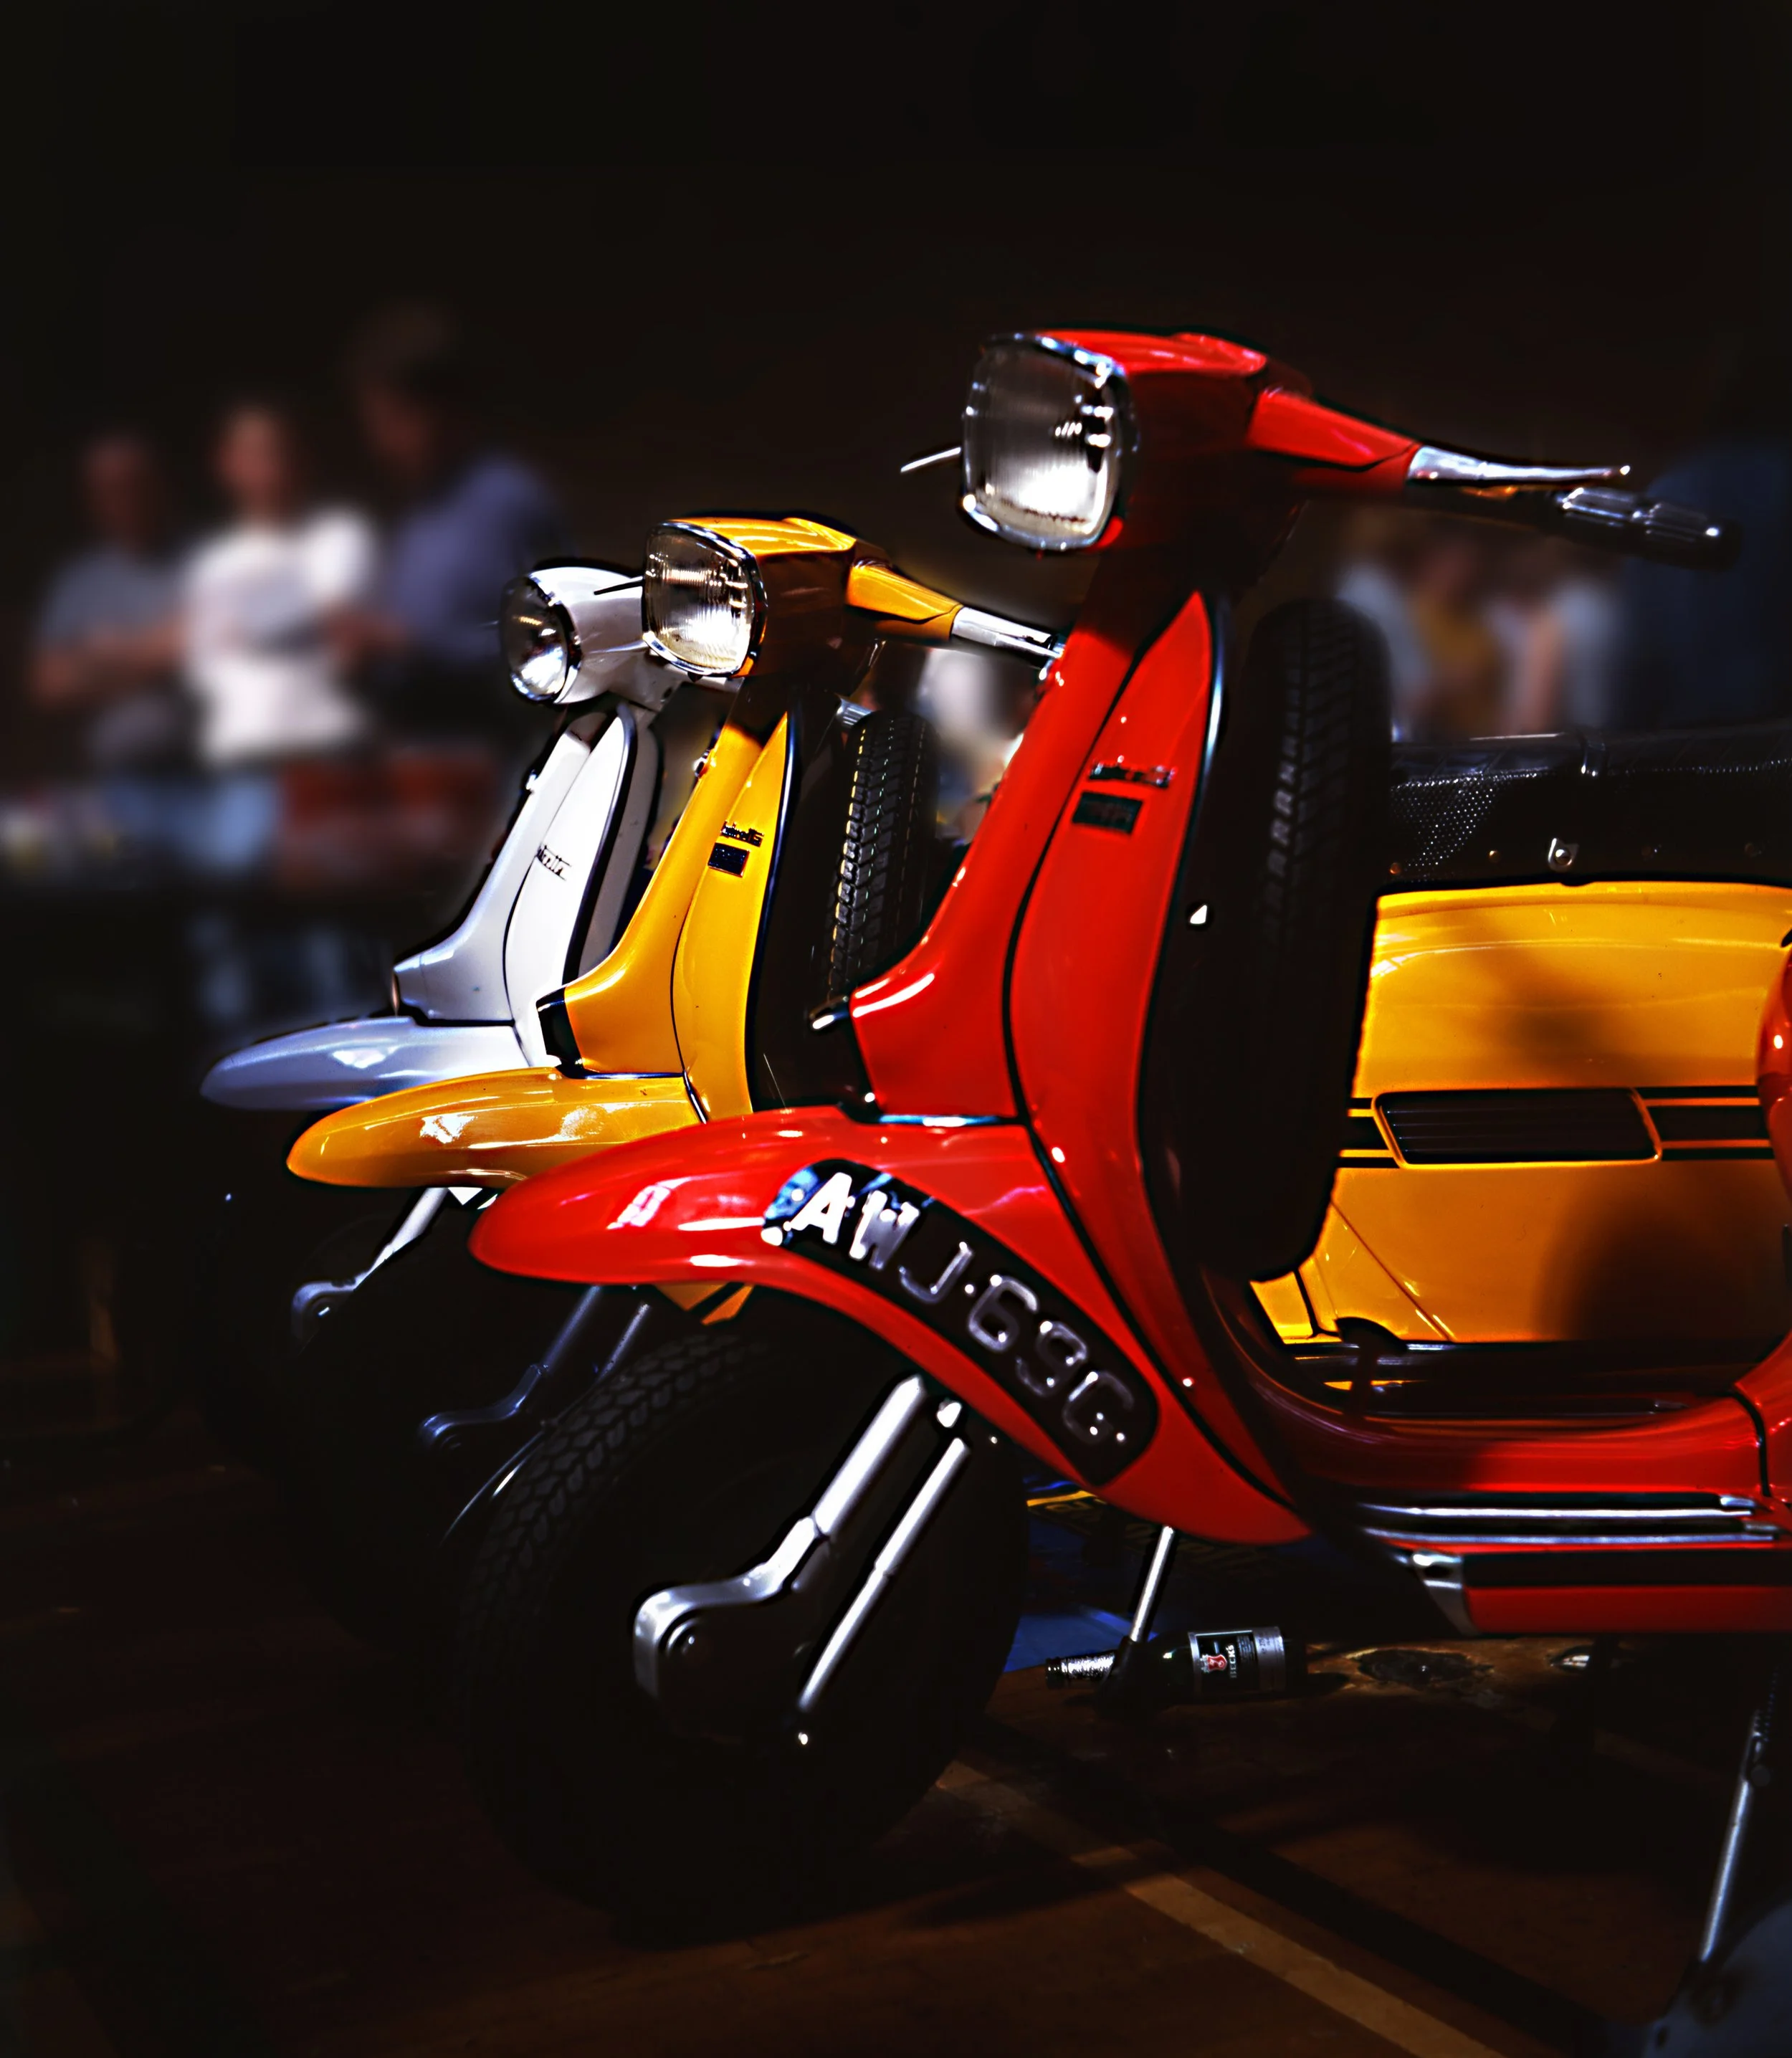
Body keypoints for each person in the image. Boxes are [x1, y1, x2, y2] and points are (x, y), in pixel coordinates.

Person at [338, 304, 566, 748]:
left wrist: (417, 646)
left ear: (442, 411)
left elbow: (555, 642)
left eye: (393, 422)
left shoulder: (509, 504)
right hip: (416, 753)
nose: (382, 446)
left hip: (495, 753)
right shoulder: (415, 516)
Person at [185, 401, 376, 771]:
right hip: (239, 752)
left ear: (301, 459)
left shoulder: (339, 534)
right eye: (253, 453)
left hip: (327, 744)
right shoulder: (211, 562)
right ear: (227, 464)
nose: (269, 465)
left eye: (278, 451)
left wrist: (233, 615)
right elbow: (201, 659)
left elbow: (333, 615)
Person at [31, 432, 188, 773]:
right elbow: (50, 685)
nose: (124, 499)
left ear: (157, 486)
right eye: (109, 490)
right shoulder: (77, 581)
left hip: (206, 768)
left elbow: (192, 645)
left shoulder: (202, 561)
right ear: (94, 500)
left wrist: (103, 656)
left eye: (133, 484)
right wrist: (154, 652)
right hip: (118, 775)